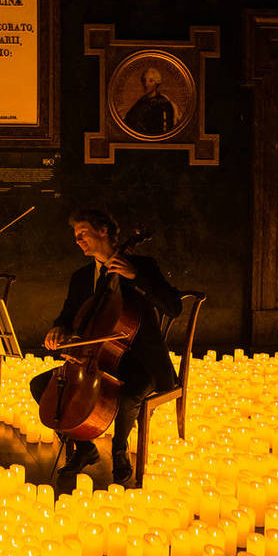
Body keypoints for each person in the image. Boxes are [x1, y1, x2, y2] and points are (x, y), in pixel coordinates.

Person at [30, 208, 181, 485]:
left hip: (139, 360)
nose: (78, 240)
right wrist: (58, 328)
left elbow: (174, 307)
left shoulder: (143, 266)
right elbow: (67, 315)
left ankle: (120, 453)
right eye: (75, 236)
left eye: (83, 233)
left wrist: (137, 277)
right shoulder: (81, 277)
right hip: (94, 360)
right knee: (43, 387)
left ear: (103, 231)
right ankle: (85, 450)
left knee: (126, 395)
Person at [123, 67, 175, 136]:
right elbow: (128, 121)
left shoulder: (164, 103)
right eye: (144, 81)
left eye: (151, 81)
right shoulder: (141, 102)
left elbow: (165, 129)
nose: (146, 84)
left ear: (156, 83)